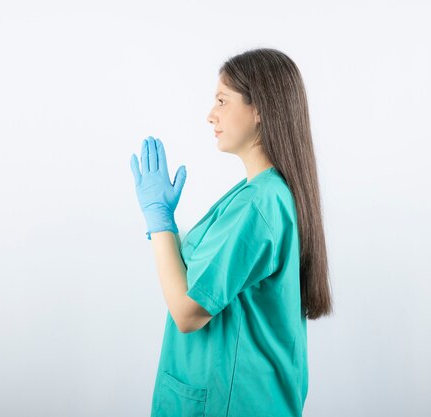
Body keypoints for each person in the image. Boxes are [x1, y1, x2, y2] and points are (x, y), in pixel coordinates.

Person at [130, 48, 333, 417]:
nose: (211, 115)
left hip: (233, 403)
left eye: (222, 100)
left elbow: (188, 312)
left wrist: (158, 222)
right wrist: (168, 228)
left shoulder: (260, 204)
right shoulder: (261, 194)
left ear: (259, 110)